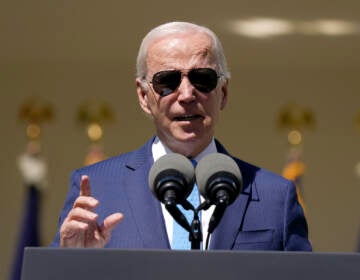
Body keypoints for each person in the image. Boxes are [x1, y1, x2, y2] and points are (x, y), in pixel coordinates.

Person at [51, 21, 312, 251]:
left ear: (224, 93)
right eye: (167, 81)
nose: (187, 94)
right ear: (144, 96)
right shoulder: (97, 190)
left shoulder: (275, 195)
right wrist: (71, 262)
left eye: (202, 78)